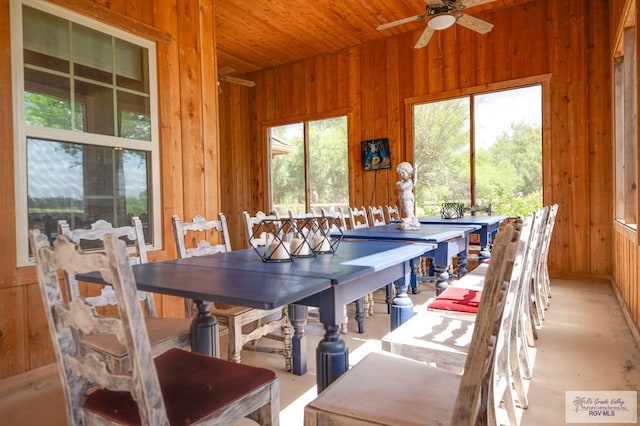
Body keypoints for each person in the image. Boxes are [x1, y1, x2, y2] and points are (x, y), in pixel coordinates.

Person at [396, 162, 419, 230]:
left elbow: (402, 187)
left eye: (403, 173)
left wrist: (399, 184)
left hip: (407, 197)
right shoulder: (404, 181)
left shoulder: (409, 181)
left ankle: (410, 218)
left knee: (408, 208)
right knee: (405, 209)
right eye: (400, 174)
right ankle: (409, 218)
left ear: (409, 173)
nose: (401, 175)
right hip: (403, 197)